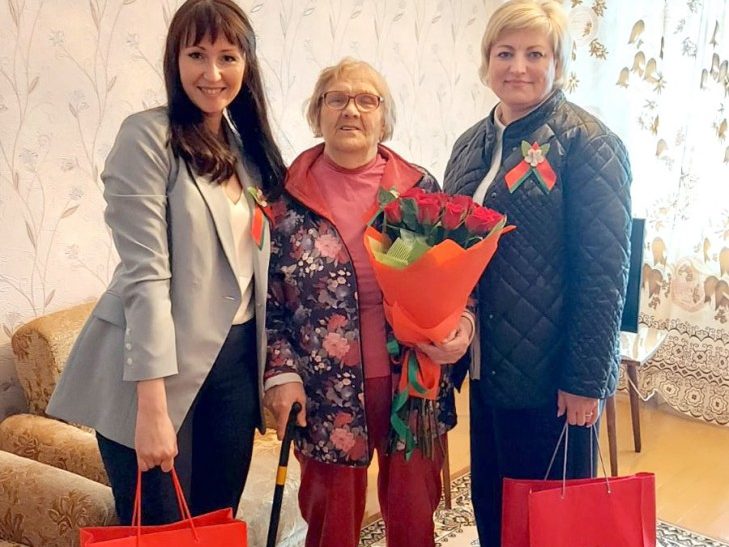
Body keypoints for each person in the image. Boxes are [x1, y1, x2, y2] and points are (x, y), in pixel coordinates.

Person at [47, 0, 285, 525]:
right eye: (196, 54)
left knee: (216, 522)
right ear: (174, 61)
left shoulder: (247, 151)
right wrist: (152, 409)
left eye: (227, 57)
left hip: (234, 369)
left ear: (246, 65)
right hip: (154, 372)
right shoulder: (147, 137)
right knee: (160, 530)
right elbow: (146, 276)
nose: (212, 73)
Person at [442, 1, 632, 545]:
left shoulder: (589, 144)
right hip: (487, 367)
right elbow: (451, 252)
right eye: (505, 53)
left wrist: (585, 381)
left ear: (559, 64)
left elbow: (604, 274)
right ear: (487, 61)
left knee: (551, 521)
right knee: (496, 506)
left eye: (535, 54)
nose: (518, 67)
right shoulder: (470, 145)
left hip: (552, 378)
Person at [263, 58, 473, 547]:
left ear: (384, 117)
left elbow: (459, 275)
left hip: (413, 382)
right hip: (323, 391)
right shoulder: (285, 198)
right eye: (336, 98)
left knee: (414, 518)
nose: (351, 110)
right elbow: (269, 303)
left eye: (366, 100)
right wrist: (281, 373)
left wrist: (462, 323)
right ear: (317, 113)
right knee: (330, 527)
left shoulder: (419, 191)